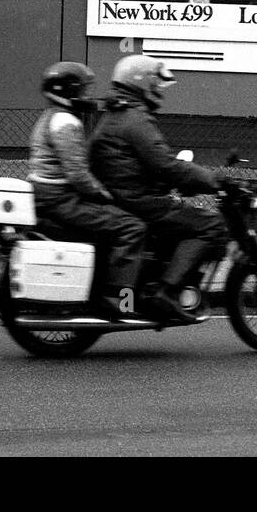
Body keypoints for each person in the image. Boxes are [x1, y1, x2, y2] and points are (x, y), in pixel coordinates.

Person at [89, 55, 230, 326]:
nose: (159, 90)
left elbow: (145, 166)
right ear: (141, 83)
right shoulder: (134, 119)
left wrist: (176, 181)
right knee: (211, 225)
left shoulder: (119, 114)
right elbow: (165, 165)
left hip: (125, 196)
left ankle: (149, 287)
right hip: (138, 201)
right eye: (156, 83)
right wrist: (214, 181)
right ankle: (164, 292)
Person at [28, 61, 148, 320]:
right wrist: (103, 193)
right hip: (61, 199)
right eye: (81, 90)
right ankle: (118, 299)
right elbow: (78, 174)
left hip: (47, 196)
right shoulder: (65, 122)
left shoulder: (49, 117)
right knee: (132, 227)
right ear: (68, 91)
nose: (86, 96)